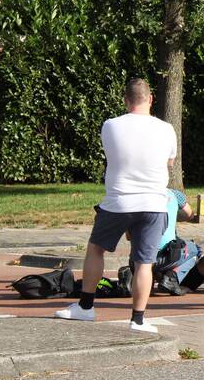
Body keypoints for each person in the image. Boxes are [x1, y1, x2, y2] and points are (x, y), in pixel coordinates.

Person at [54, 78, 176, 333]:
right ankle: (138, 319)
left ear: (125, 100)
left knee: (96, 249)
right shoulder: (167, 129)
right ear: (151, 99)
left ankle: (86, 307)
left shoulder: (110, 126)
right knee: (144, 263)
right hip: (154, 201)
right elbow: (169, 163)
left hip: (119, 200)